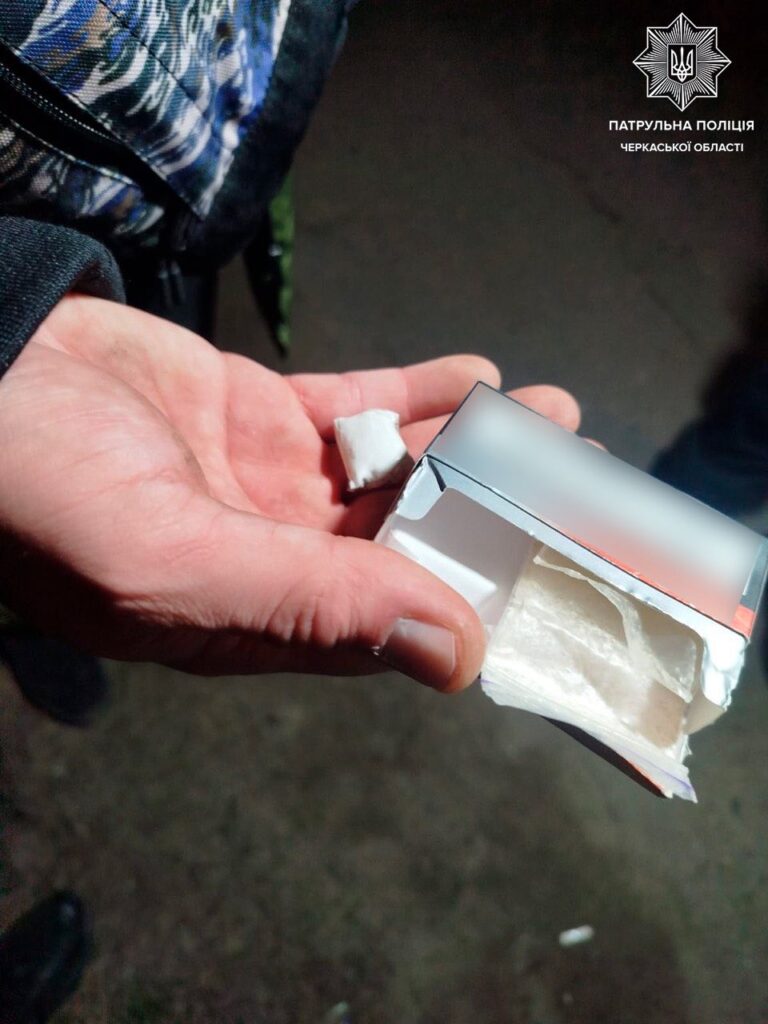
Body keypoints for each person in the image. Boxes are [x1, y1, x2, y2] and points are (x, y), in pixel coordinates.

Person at [0, 2, 580, 1019]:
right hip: (72, 219)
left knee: (99, 486)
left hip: (149, 198)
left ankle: (38, 609)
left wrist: (35, 301)